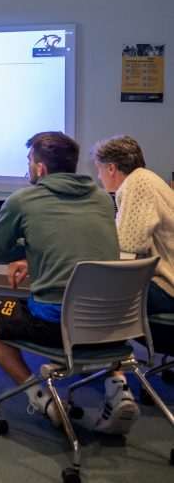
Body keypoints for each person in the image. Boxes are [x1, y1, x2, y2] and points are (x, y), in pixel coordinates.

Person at [0, 132, 120, 430]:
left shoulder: (24, 199)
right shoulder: (102, 199)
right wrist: (35, 250)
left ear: (40, 169)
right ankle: (118, 388)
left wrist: (27, 247)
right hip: (111, 318)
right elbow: (75, 247)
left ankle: (40, 396)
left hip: (56, 322)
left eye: (29, 162)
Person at [89, 135, 174, 433]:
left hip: (168, 291)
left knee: (90, 292)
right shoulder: (149, 179)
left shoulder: (136, 185)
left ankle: (117, 386)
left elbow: (127, 248)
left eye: (99, 170)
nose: (99, 178)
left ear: (112, 168)